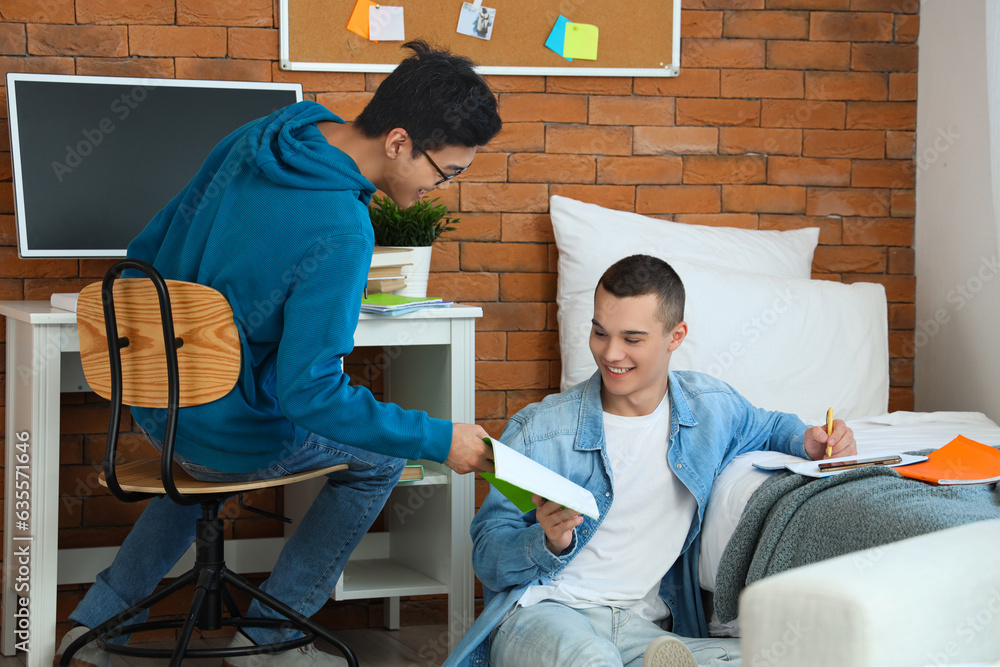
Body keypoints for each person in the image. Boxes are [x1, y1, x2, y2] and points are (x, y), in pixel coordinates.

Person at [55, 41, 501, 667]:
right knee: (379, 459)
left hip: (160, 413)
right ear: (399, 142)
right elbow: (309, 394)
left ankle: (95, 626)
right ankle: (267, 643)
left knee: (199, 463)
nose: (438, 190)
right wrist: (438, 439)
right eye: (444, 172)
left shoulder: (265, 134)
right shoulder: (343, 229)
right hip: (224, 437)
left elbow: (146, 250)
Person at [444, 254, 857, 667]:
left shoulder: (708, 408)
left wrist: (810, 440)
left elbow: (768, 425)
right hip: (545, 614)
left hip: (641, 628)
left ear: (676, 336)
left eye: (632, 339)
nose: (611, 353)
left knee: (773, 659)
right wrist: (547, 542)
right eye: (600, 333)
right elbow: (487, 555)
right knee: (592, 659)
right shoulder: (543, 429)